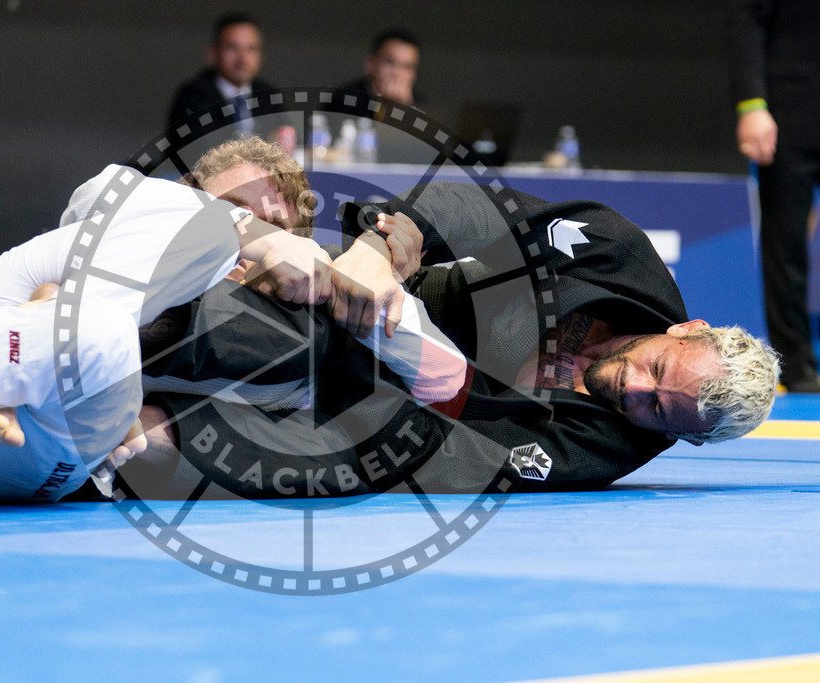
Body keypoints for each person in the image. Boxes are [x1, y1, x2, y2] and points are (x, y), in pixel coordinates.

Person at [120, 179, 780, 499]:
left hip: (406, 405)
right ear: (686, 329)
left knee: (359, 464)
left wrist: (372, 386)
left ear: (683, 438)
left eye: (657, 409)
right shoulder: (615, 253)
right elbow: (477, 211)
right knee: (298, 323)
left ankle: (133, 444)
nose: (634, 386)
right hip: (396, 296)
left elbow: (461, 457)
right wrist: (383, 248)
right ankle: (108, 337)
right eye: (657, 368)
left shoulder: (606, 448)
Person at [0, 163, 339, 502]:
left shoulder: (280, 346)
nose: (252, 242)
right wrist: (255, 235)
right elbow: (102, 194)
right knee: (134, 292)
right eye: (238, 209)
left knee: (102, 341)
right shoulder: (150, 215)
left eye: (275, 227)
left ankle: (7, 372)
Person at [726, 0, 820, 392]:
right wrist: (752, 104)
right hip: (791, 113)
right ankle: (798, 368)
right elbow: (745, 20)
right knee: (786, 245)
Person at [167, 13, 276, 135]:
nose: (243, 59)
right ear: (213, 53)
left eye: (251, 48)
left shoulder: (267, 95)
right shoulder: (192, 97)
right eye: (233, 48)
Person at [338, 29, 422, 107]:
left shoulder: (421, 106)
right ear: (371, 64)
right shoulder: (344, 100)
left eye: (407, 67)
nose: (397, 72)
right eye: (390, 62)